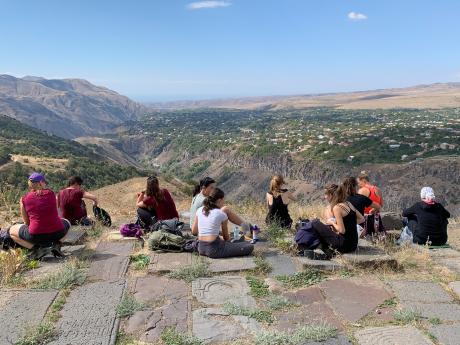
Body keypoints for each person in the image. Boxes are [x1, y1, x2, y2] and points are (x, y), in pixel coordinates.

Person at [9, 172, 71, 256]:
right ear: (40, 183)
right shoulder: (51, 194)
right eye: (44, 182)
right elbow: (55, 213)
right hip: (57, 233)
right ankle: (57, 245)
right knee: (67, 222)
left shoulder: (24, 199)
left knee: (11, 231)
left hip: (36, 236)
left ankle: (37, 249)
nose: (45, 183)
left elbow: (26, 222)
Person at [192, 188, 254, 258]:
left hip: (201, 248)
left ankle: (247, 228)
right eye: (223, 200)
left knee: (237, 242)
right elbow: (226, 238)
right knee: (249, 246)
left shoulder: (199, 210)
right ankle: (248, 228)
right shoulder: (221, 214)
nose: (224, 202)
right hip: (214, 250)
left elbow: (194, 231)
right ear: (219, 200)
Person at [311, 184, 364, 256]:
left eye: (326, 194)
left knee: (315, 223)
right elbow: (362, 219)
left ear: (331, 195)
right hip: (353, 244)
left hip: (344, 245)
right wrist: (347, 224)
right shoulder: (348, 203)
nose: (325, 197)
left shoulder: (337, 208)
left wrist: (333, 223)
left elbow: (342, 230)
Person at [357, 171, 384, 236]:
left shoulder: (362, 190)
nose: (358, 184)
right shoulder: (378, 189)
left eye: (358, 182)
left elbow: (357, 205)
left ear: (363, 180)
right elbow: (381, 204)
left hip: (366, 220)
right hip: (376, 219)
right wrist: (375, 209)